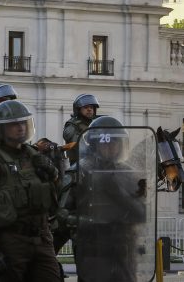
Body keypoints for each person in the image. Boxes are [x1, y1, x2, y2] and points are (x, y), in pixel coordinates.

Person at [0, 100, 61, 282]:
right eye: (13, 124)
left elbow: (54, 194)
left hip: (42, 239)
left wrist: (52, 171)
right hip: (11, 242)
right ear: (0, 129)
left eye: (23, 123)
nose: (20, 128)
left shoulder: (35, 157)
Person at [74, 116, 147, 282]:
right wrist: (91, 220)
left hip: (124, 249)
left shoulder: (128, 173)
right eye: (105, 142)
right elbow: (63, 214)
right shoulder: (80, 171)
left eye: (115, 142)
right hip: (94, 249)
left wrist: (118, 194)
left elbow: (142, 212)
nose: (110, 147)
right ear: (94, 144)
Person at [62, 94, 100, 163]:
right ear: (78, 110)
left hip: (96, 162)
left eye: (91, 107)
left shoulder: (96, 124)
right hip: (78, 165)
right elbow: (78, 144)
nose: (89, 109)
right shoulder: (72, 124)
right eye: (86, 107)